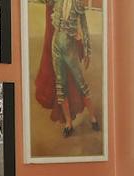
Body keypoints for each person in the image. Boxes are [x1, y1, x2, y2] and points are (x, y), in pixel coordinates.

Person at [33, 0, 101, 137]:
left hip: (70, 46)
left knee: (81, 82)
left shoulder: (78, 4)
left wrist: (87, 52)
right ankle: (68, 123)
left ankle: (93, 118)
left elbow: (85, 28)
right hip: (56, 43)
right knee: (60, 83)